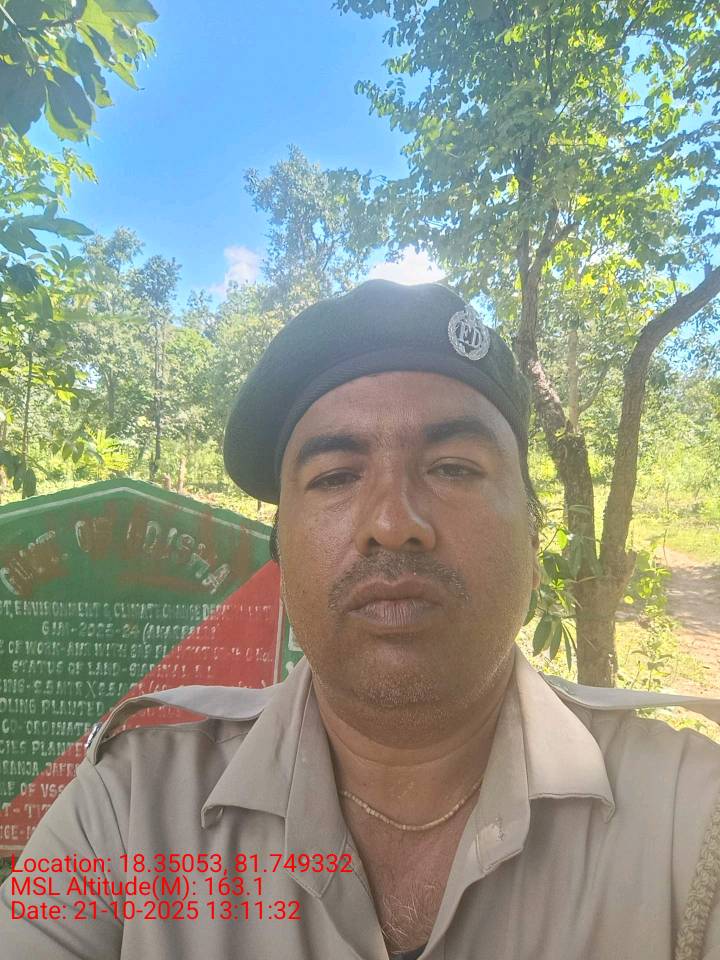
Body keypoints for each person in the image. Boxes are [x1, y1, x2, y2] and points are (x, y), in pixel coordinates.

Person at [2, 278, 720, 960]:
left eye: (453, 467)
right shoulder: (127, 812)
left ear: (533, 541)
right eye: (336, 477)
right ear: (282, 557)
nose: (393, 523)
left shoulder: (693, 823)